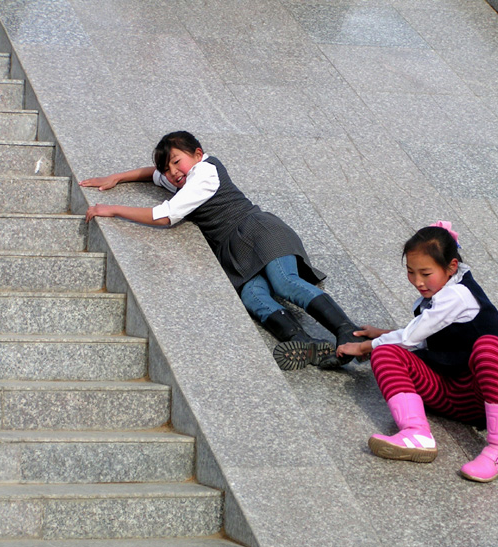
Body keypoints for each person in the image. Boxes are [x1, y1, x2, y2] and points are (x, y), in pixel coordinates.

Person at [81, 130, 366, 370]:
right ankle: (303, 340)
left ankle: (346, 330)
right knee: (254, 298)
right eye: (168, 168)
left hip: (257, 230)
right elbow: (152, 174)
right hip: (233, 252)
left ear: (198, 153)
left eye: (177, 162)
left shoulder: (205, 172)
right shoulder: (182, 177)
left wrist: (114, 209)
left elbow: (165, 216)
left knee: (285, 282)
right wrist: (117, 177)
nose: (173, 173)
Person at [337, 222, 498, 482]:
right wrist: (382, 336)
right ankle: (416, 433)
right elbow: (423, 337)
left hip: (486, 395)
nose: (418, 281)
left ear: (451, 267)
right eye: (410, 272)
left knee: (489, 347)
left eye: (426, 273)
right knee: (386, 353)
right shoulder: (436, 295)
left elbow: (411, 336)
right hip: (450, 394)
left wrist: (361, 346)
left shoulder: (459, 295)